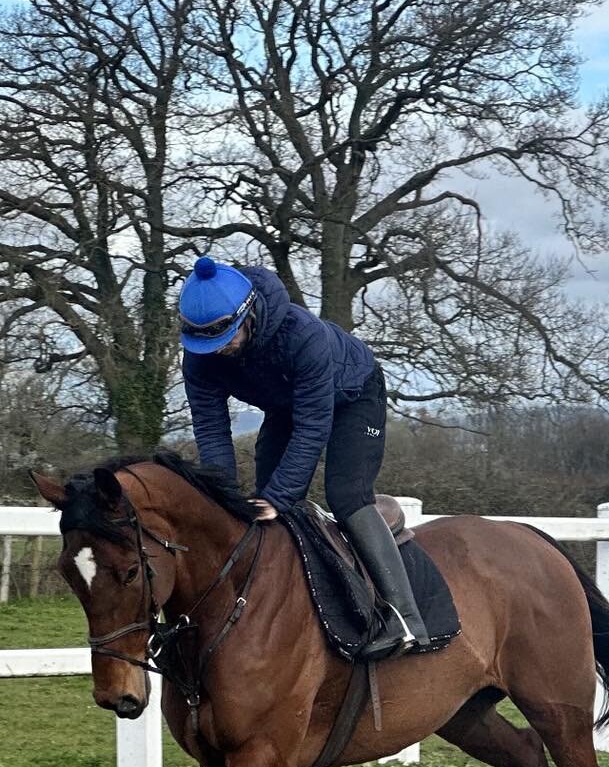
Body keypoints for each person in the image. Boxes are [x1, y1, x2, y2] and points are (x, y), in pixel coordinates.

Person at [178, 255, 429, 659]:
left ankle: (405, 619)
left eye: (224, 340)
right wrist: (219, 498)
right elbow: (211, 430)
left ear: (249, 316)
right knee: (262, 506)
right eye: (207, 344)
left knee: (345, 496)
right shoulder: (200, 358)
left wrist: (278, 498)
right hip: (288, 404)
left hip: (352, 395)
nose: (218, 352)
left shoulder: (303, 335)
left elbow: (314, 428)